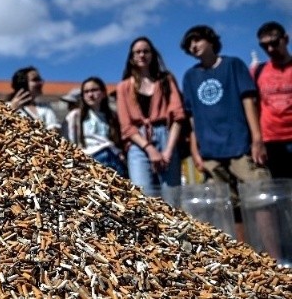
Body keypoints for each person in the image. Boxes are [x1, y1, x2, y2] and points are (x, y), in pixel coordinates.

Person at [180, 25, 278, 252]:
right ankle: (244, 258)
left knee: (260, 199)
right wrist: (195, 150)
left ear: (211, 41)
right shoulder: (190, 76)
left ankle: (274, 257)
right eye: (189, 43)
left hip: (240, 147)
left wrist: (257, 139)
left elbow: (248, 101)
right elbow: (191, 117)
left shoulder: (233, 65)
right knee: (227, 209)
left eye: (197, 40)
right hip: (211, 154)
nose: (193, 45)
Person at [116, 37, 185, 201]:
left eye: (146, 51)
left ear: (153, 54)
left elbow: (178, 115)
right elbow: (126, 126)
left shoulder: (166, 80)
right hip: (138, 141)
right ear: (132, 57)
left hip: (166, 136)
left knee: (172, 196)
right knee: (144, 195)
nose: (142, 55)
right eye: (137, 52)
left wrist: (168, 150)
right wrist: (150, 149)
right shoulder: (123, 87)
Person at [253, 21, 292, 179]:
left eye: (274, 43)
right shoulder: (258, 71)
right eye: (264, 46)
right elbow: (253, 107)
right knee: (280, 189)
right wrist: (257, 140)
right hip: (271, 141)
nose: (270, 49)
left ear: (286, 39)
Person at [66, 77, 127, 177]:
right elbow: (68, 142)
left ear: (103, 93)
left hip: (114, 159)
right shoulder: (75, 116)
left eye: (94, 90)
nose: (90, 95)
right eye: (86, 92)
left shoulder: (112, 116)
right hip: (89, 160)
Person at [7, 66, 60, 131]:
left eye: (40, 80)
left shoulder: (45, 107)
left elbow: (53, 128)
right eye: (35, 80)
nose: (40, 83)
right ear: (22, 84)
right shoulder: (7, 106)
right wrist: (11, 110)